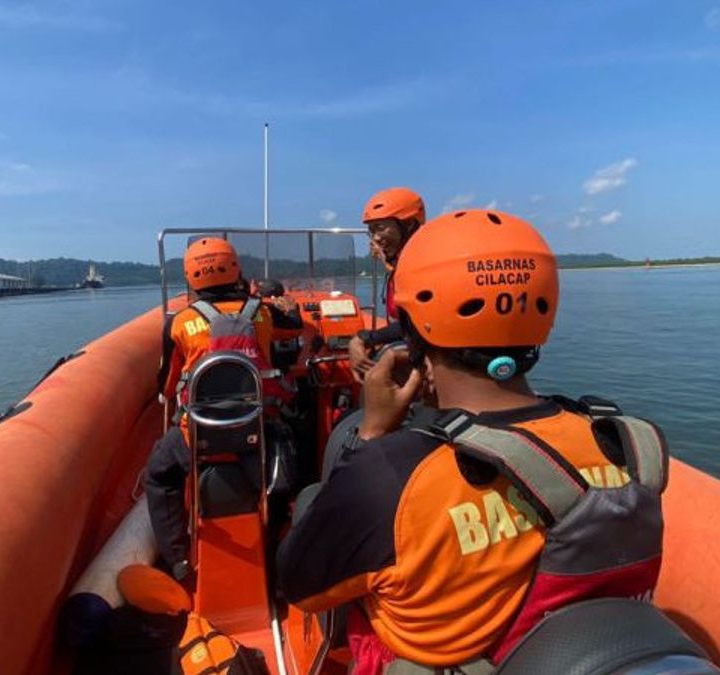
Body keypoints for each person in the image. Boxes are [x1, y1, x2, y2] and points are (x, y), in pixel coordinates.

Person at [277, 209, 669, 673]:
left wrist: (372, 434)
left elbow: (297, 585)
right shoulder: (627, 444)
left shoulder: (389, 474)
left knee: (309, 502)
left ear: (415, 328)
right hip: (578, 647)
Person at [147, 237, 277, 580]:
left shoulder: (178, 324)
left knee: (158, 476)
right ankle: (278, 532)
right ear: (235, 267)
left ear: (191, 276)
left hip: (198, 435)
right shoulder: (261, 313)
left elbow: (167, 384)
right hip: (255, 430)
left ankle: (178, 560)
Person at [348, 187, 426, 381]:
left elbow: (415, 324)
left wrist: (364, 338)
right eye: (371, 231)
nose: (375, 238)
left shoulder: (423, 267)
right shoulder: (406, 262)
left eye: (380, 228)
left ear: (408, 225)